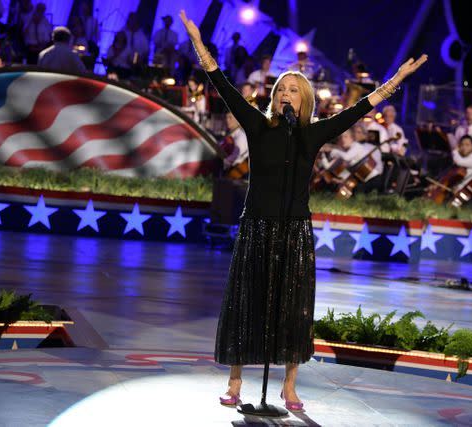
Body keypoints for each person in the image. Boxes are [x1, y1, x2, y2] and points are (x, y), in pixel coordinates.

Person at [180, 9, 427, 410]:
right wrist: (198, 41)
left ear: (305, 99)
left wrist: (396, 81)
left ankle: (290, 386)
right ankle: (236, 380)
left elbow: (360, 109)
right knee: (248, 300)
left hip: (294, 229)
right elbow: (220, 82)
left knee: (293, 307)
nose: (284, 95)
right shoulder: (257, 126)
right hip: (257, 226)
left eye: (293, 90)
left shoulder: (311, 135)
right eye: (281, 90)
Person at [323, 128, 383, 192]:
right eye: (340, 137)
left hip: (372, 179)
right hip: (360, 180)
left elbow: (347, 157)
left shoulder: (356, 146)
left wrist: (334, 150)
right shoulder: (343, 152)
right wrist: (322, 155)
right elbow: (329, 168)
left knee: (355, 192)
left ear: (352, 138)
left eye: (345, 136)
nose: (343, 139)